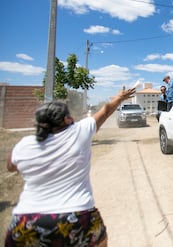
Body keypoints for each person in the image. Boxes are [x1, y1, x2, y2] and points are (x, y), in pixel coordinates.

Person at [4, 86, 136, 247]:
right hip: (76, 216)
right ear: (66, 119)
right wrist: (120, 97)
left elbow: (11, 166)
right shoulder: (80, 131)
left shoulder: (25, 144)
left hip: (28, 220)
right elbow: (106, 111)